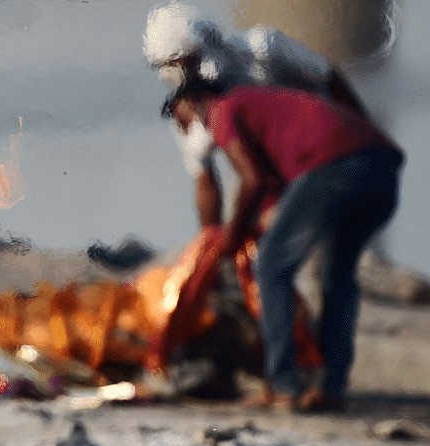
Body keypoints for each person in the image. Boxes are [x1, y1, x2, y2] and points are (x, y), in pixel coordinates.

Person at [163, 78, 402, 412]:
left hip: (333, 165)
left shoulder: (222, 110)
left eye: (182, 117)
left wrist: (232, 235)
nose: (186, 128)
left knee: (271, 267)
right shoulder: (262, 105)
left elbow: (252, 181)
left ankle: (283, 385)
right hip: (381, 167)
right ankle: (332, 388)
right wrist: (254, 223)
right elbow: (271, 190)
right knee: (338, 272)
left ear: (199, 99)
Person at [142, 2, 370, 229]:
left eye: (178, 61)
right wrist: (210, 243)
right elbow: (205, 178)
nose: (171, 71)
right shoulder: (190, 111)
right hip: (274, 176)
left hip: (324, 148)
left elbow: (327, 75)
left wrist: (364, 137)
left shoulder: (264, 48)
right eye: (165, 65)